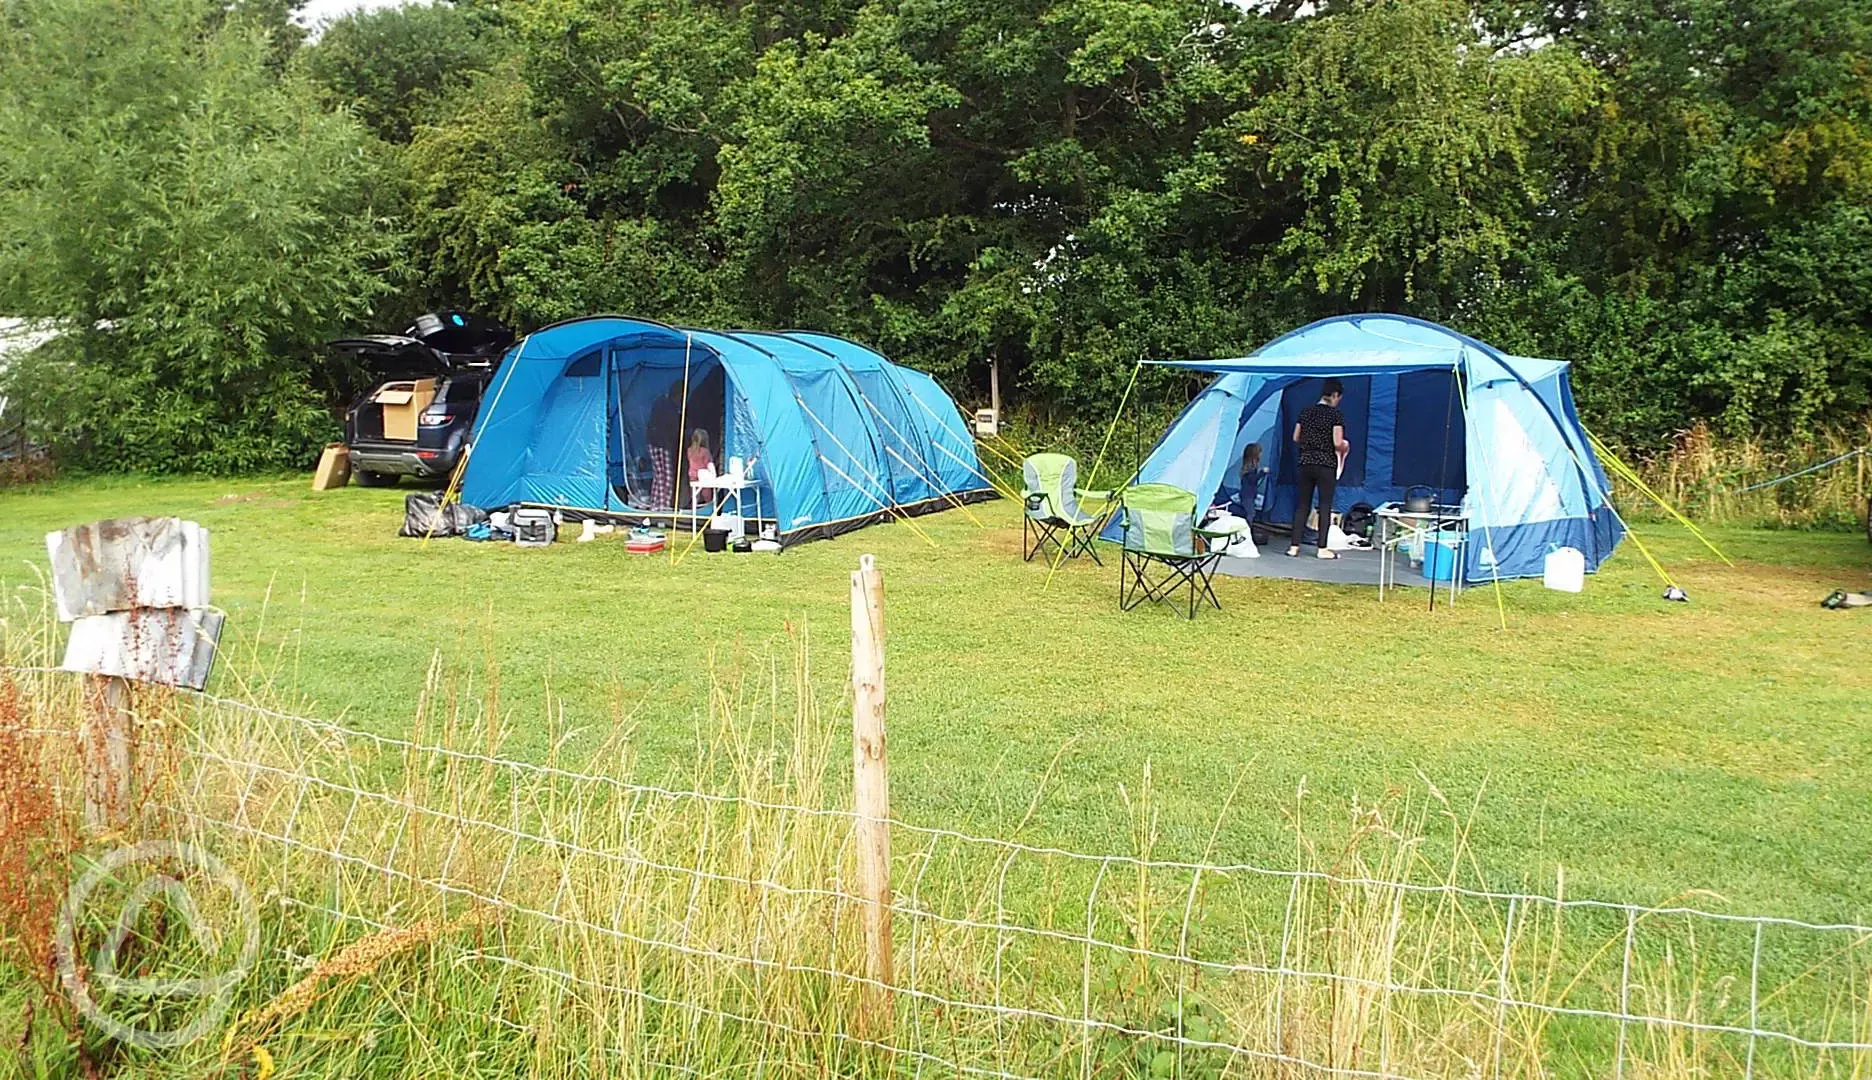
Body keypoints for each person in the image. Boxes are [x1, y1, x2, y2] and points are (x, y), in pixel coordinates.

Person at [1287, 378, 1350, 559]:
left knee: (1302, 505)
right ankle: (1322, 548)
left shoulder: (1305, 412)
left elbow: (1296, 437)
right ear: (1335, 395)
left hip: (1306, 462)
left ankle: (1294, 546)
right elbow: (1337, 443)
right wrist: (1345, 446)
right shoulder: (1335, 415)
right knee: (1324, 506)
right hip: (1326, 464)